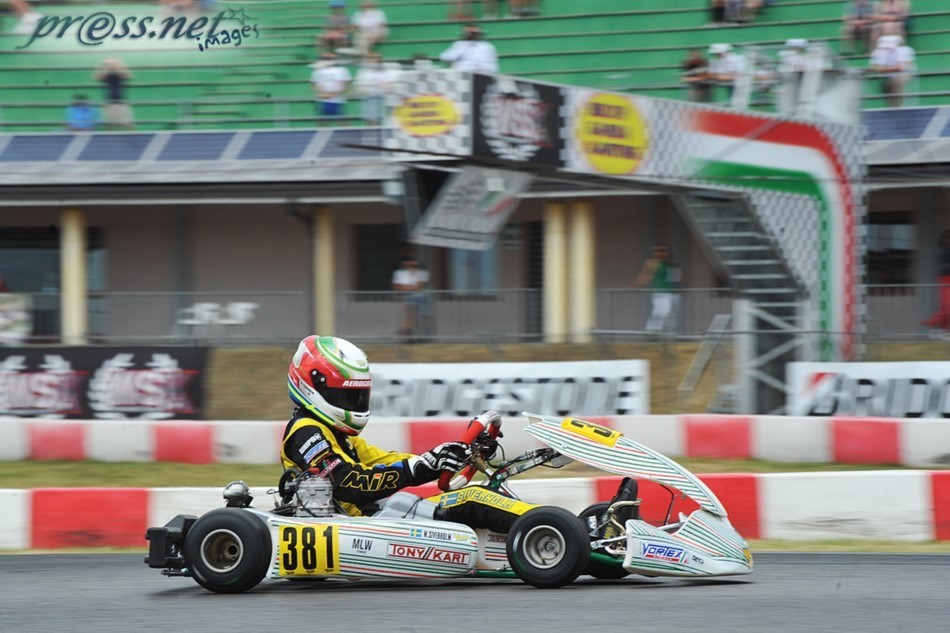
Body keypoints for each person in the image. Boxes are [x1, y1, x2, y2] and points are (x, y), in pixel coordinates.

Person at [280, 335, 537, 532]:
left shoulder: (339, 436)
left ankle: (542, 529)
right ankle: (545, 528)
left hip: (376, 519)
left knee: (480, 494)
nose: (354, 403)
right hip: (359, 528)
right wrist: (419, 468)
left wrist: (448, 456)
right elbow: (349, 483)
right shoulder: (305, 431)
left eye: (357, 396)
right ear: (313, 386)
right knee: (473, 499)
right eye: (345, 395)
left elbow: (390, 461)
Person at [629, 244, 683, 333]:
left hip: (674, 292)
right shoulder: (653, 263)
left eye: (664, 251)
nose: (661, 253)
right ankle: (652, 330)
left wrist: (681, 287)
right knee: (662, 311)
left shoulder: (672, 264)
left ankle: (671, 334)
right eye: (657, 251)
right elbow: (645, 276)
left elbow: (678, 277)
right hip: (661, 292)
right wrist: (636, 285)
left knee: (673, 315)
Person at [869, 34, 914, 107]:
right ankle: (893, 107)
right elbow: (873, 67)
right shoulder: (877, 52)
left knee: (896, 82)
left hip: (904, 73)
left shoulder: (905, 50)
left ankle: (901, 106)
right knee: (887, 87)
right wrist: (883, 69)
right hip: (888, 75)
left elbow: (902, 67)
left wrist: (883, 69)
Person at [392, 255, 430, 337]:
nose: (409, 267)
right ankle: (407, 327)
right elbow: (397, 287)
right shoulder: (400, 273)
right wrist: (410, 288)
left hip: (421, 298)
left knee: (413, 307)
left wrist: (406, 288)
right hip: (408, 297)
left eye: (412, 265)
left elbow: (418, 287)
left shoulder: (422, 273)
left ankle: (407, 327)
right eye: (407, 265)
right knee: (409, 305)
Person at [355, 52, 397, 125]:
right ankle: (371, 127)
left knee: (381, 118)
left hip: (383, 97)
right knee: (369, 117)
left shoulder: (385, 70)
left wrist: (383, 87)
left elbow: (390, 85)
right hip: (368, 97)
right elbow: (360, 86)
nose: (372, 61)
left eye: (374, 59)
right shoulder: (363, 71)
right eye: (370, 59)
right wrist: (365, 89)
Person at [94, 58, 134, 130]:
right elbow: (96, 77)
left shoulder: (120, 75)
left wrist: (120, 65)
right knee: (109, 124)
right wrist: (103, 66)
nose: (112, 66)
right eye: (110, 65)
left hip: (121, 102)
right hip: (109, 102)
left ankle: (134, 135)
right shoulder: (106, 76)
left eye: (113, 64)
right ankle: (109, 136)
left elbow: (129, 76)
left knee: (128, 123)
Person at [310, 52, 352, 119]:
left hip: (338, 100)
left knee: (342, 120)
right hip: (321, 100)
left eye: (329, 58)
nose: (327, 60)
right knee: (322, 120)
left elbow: (346, 85)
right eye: (324, 58)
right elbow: (314, 85)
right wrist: (322, 94)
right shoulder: (317, 71)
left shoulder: (342, 70)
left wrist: (333, 94)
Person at [924, 231, 950, 332]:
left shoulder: (942, 252)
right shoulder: (943, 252)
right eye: (946, 238)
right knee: (946, 305)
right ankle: (939, 325)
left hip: (944, 278)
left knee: (946, 306)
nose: (948, 240)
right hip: (945, 278)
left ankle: (939, 324)